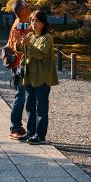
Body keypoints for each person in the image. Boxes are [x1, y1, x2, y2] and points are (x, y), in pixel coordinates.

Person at [19, 10, 59, 145]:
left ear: (43, 23)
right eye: (32, 20)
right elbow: (21, 50)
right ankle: (30, 132)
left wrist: (28, 44)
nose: (33, 23)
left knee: (41, 108)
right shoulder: (30, 35)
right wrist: (18, 42)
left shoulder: (47, 38)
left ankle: (40, 135)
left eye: (36, 20)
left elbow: (40, 54)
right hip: (30, 76)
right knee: (30, 106)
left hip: (42, 77)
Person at [7, 0, 33, 140]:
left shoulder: (21, 24)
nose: (29, 9)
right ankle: (15, 127)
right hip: (20, 66)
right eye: (27, 7)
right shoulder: (20, 26)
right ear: (21, 11)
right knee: (20, 96)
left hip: (20, 65)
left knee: (22, 96)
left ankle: (19, 126)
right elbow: (20, 48)